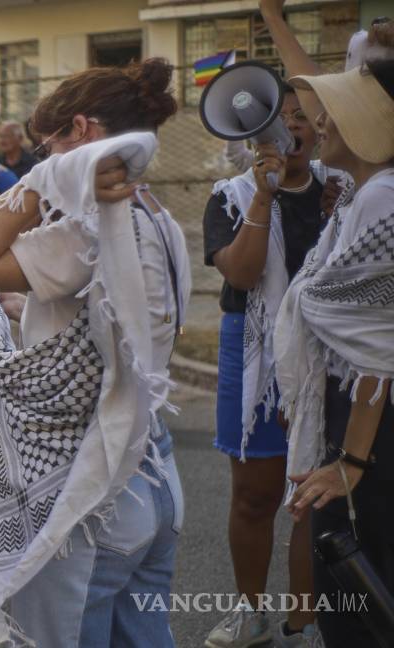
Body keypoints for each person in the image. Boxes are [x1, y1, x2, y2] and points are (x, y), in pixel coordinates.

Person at [0, 59, 190, 647]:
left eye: (50, 147)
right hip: (155, 472)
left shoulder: (90, 229)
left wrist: (38, 185)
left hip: (89, 498)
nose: (42, 161)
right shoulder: (159, 217)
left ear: (83, 133)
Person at [276, 59, 394, 648]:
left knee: (361, 599)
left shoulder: (382, 198)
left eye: (334, 110)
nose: (318, 122)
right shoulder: (361, 193)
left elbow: (379, 347)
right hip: (362, 420)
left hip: (371, 427)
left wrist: (351, 463)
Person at [201, 85, 324, 648]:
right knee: (255, 493)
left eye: (302, 118)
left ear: (320, 130)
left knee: (313, 499)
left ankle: (306, 619)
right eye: (280, 119)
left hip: (327, 352)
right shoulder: (230, 197)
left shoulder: (343, 192)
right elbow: (243, 277)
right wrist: (263, 198)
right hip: (252, 349)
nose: (290, 128)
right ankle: (249, 613)